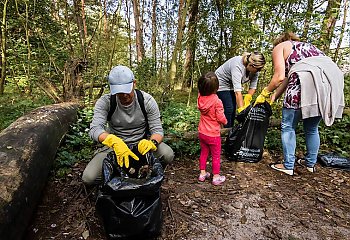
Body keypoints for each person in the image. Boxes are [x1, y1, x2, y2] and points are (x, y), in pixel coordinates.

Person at [254, 32, 344, 176]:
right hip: (324, 88)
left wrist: (264, 93)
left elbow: (279, 77)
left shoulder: (280, 47)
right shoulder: (309, 49)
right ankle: (310, 163)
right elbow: (287, 78)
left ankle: (288, 165)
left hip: (301, 86)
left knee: (288, 127)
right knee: (312, 128)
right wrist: (275, 96)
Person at [82, 65, 174, 184]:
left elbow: (157, 130)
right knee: (89, 178)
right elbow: (94, 129)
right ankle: (117, 175)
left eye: (126, 90)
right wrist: (113, 141)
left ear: (134, 83)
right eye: (119, 92)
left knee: (167, 154)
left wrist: (152, 143)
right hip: (116, 147)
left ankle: (150, 173)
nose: (124, 95)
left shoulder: (147, 101)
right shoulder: (106, 102)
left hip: (141, 145)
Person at [215, 52, 266, 127]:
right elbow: (238, 92)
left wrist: (247, 98)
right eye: (258, 69)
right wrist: (242, 110)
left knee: (233, 109)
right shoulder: (237, 65)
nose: (258, 71)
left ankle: (230, 128)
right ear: (251, 65)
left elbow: (253, 86)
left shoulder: (255, 70)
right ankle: (226, 131)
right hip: (220, 82)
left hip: (231, 84)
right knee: (229, 108)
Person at [197, 72, 228, 185]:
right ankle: (216, 177)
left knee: (204, 153)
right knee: (216, 155)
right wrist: (225, 121)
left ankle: (202, 174)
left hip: (202, 132)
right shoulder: (216, 101)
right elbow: (220, 117)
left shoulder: (200, 97)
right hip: (213, 134)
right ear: (217, 87)